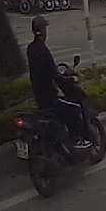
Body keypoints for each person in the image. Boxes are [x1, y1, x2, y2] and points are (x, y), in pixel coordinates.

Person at [25, 16, 91, 149]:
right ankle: (76, 139)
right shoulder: (43, 50)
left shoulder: (31, 48)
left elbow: (45, 71)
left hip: (38, 95)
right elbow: (54, 75)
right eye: (45, 28)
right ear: (43, 31)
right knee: (74, 109)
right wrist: (70, 79)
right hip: (49, 97)